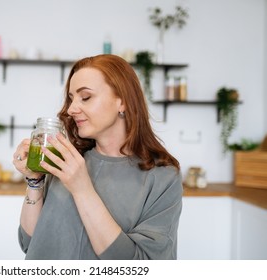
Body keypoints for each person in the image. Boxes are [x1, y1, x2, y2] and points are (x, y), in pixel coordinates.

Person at [13, 54, 183, 260]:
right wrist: (35, 182)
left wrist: (82, 188)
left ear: (123, 102)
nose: (72, 109)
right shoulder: (67, 160)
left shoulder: (162, 177)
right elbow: (30, 243)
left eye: (85, 97)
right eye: (71, 99)